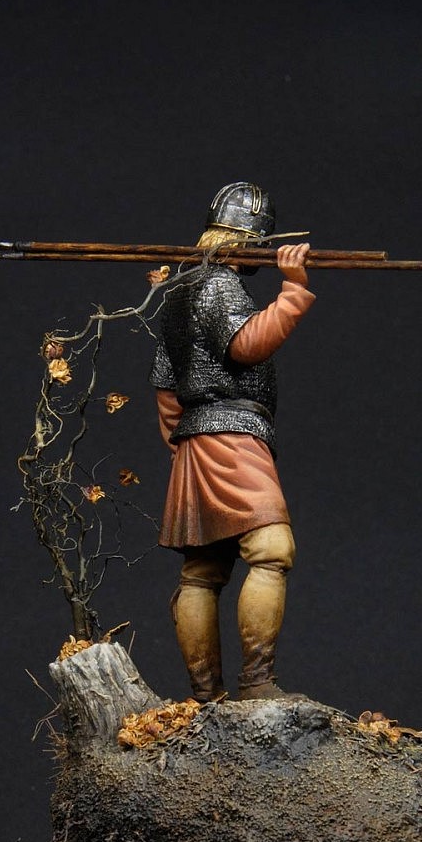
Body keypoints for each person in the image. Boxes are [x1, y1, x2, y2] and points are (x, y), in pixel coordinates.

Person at [148, 182, 315, 701]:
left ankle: (206, 697)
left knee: (203, 570)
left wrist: (181, 444)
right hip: (231, 434)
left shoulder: (179, 292)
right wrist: (293, 291)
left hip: (195, 442)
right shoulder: (219, 284)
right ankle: (257, 684)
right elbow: (247, 345)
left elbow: (166, 386)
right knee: (271, 549)